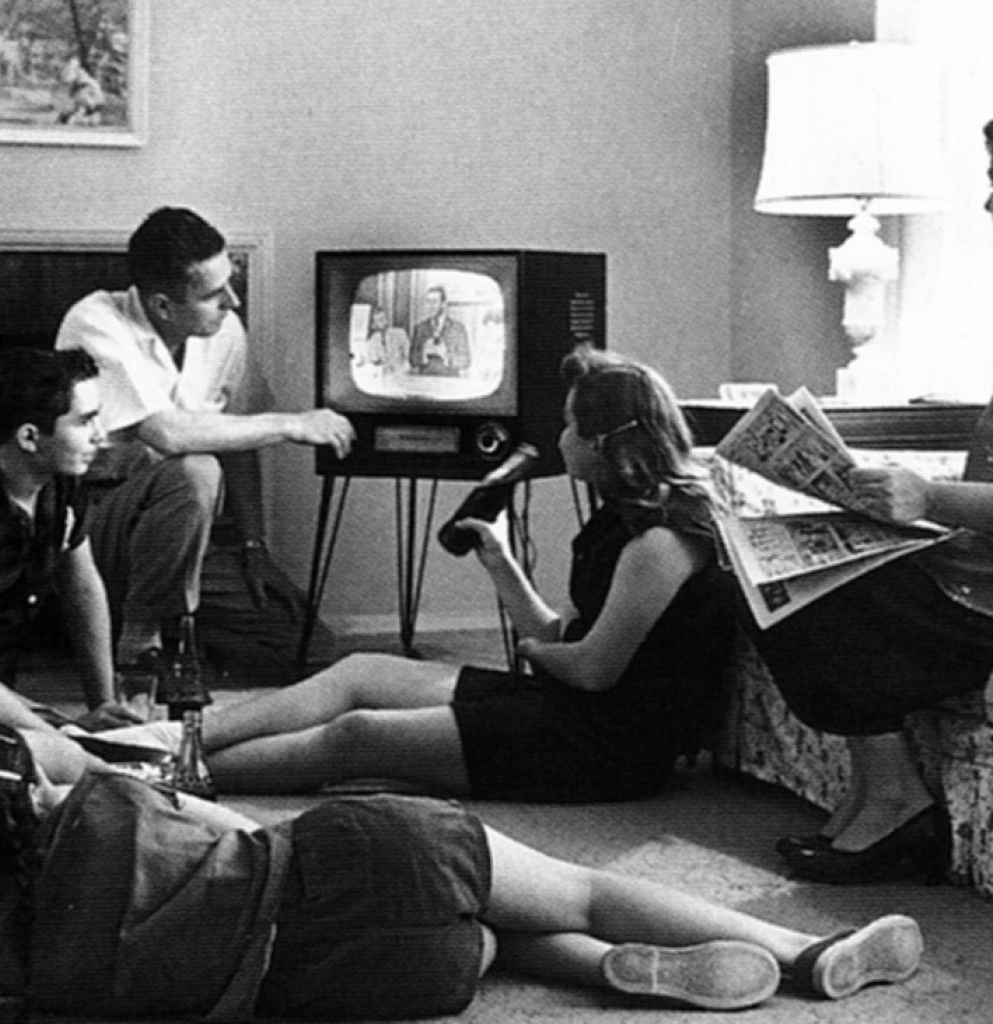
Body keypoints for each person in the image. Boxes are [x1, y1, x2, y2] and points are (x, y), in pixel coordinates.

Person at [0, 717, 924, 1018]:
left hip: (373, 986)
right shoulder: (107, 806)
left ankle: (601, 971)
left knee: (486, 940)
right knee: (578, 884)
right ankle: (801, 951)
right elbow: (230, 823)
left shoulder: (15, 962)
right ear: (33, 799)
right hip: (368, 859)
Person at [130, 346, 738, 801]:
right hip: (570, 705)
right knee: (362, 672)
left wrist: (529, 648)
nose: (561, 436)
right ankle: (173, 740)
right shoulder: (623, 522)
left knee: (359, 735)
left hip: (605, 748)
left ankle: (168, 778)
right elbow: (567, 642)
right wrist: (500, 563)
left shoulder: (659, 542)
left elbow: (590, 669)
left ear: (605, 443)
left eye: (572, 423)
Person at [746, 119, 993, 885]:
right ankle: (876, 789)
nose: (987, 205)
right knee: (765, 567)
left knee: (821, 594)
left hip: (983, 598)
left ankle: (896, 802)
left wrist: (931, 495)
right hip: (967, 567)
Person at [54, 207, 355, 670]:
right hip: (94, 529)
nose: (232, 300)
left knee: (312, 651)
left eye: (229, 282)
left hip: (183, 540)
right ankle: (140, 637)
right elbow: (168, 434)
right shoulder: (94, 323)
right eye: (215, 293)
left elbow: (238, 437)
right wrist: (292, 424)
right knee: (196, 468)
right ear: (161, 305)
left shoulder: (223, 328)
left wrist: (254, 545)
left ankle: (169, 622)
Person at [0, 348, 139, 732]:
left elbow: (82, 587)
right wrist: (57, 726)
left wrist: (104, 703)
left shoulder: (60, 486)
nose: (101, 435)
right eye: (85, 422)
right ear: (29, 437)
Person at [409, 284, 471, 375]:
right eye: (428, 302)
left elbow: (466, 361)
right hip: (423, 382)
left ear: (443, 304)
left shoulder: (458, 328)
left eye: (434, 302)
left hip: (449, 383)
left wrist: (446, 356)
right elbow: (411, 359)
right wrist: (423, 355)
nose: (430, 306)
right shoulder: (420, 328)